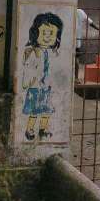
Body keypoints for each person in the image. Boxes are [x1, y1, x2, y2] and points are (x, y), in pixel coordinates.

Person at [22, 12, 63, 141]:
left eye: (52, 34)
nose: (47, 37)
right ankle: (29, 129)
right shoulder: (33, 52)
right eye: (44, 33)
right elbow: (28, 68)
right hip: (35, 87)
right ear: (36, 33)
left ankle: (43, 129)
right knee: (34, 111)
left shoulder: (52, 53)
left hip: (47, 87)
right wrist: (27, 81)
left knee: (47, 110)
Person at [74, 8, 96, 82]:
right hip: (77, 41)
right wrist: (99, 29)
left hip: (68, 40)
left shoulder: (69, 10)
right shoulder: (80, 12)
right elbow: (91, 23)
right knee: (76, 59)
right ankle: (76, 78)